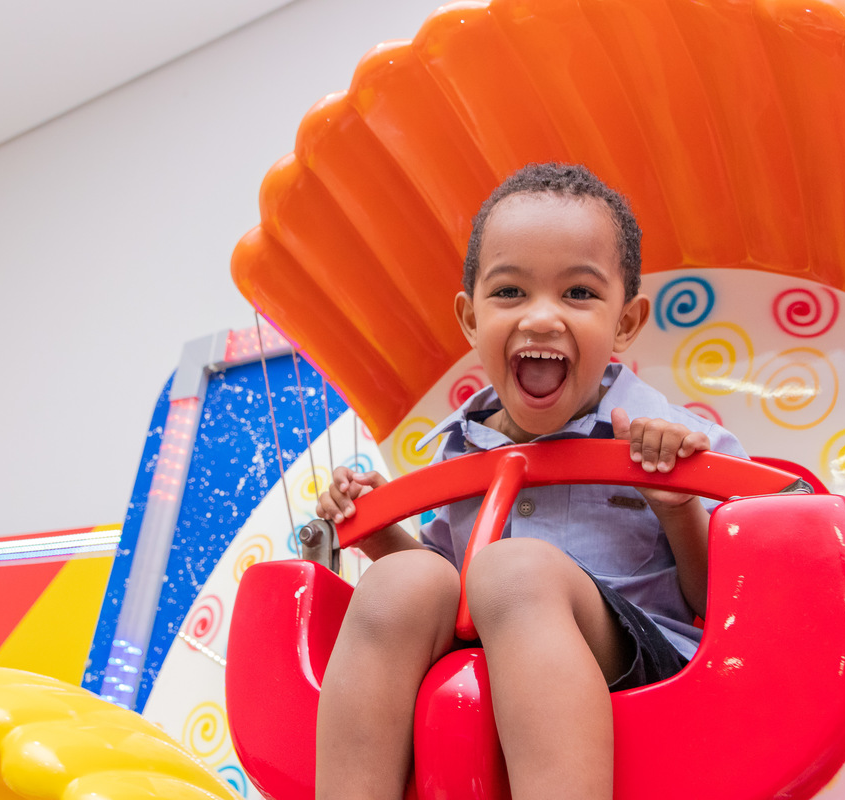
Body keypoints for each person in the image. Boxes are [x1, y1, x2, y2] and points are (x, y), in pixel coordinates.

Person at [314, 162, 747, 800]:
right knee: (406, 579)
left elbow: (730, 606)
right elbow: (451, 591)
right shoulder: (457, 451)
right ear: (470, 316)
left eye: (578, 294)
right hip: (490, 658)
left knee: (513, 571)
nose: (541, 318)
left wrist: (680, 509)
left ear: (625, 323)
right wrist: (377, 532)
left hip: (649, 668)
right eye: (510, 293)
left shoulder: (670, 438)